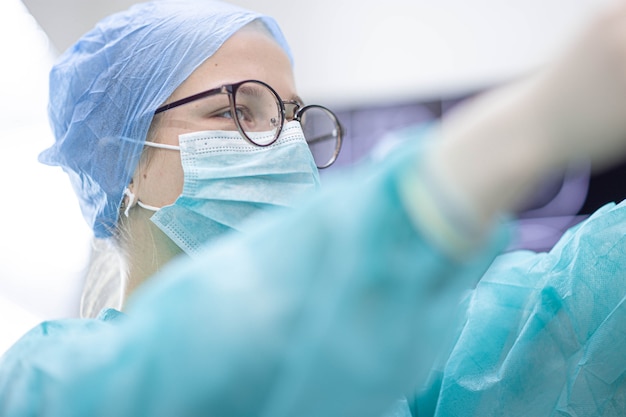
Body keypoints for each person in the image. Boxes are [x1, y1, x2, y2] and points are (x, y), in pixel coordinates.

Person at [2, 0, 626, 416]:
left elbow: (563, 316)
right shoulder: (49, 384)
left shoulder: (402, 358)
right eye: (236, 111)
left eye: (293, 118)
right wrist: (508, 139)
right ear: (123, 156)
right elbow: (197, 358)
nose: (287, 147)